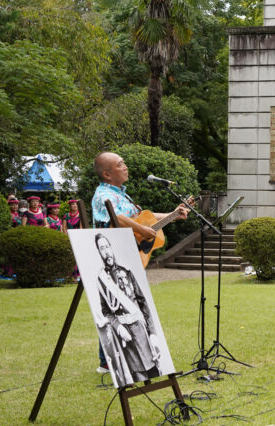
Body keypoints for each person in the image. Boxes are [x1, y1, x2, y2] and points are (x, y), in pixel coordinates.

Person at [91, 151, 188, 373]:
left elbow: (144, 217)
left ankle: (139, 356)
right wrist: (140, 229)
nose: (125, 167)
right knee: (114, 306)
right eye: (120, 164)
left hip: (129, 257)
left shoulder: (121, 195)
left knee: (134, 305)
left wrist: (172, 214)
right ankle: (107, 362)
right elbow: (115, 215)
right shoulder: (102, 195)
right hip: (113, 258)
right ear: (107, 174)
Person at [94, 233, 161, 385]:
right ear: (99, 252)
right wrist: (118, 328)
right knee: (137, 377)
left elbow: (143, 302)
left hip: (141, 332)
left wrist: (153, 333)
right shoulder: (101, 280)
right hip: (126, 337)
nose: (106, 252)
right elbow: (106, 311)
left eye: (106, 247)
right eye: (101, 248)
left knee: (154, 372)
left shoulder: (127, 272)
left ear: (111, 248)